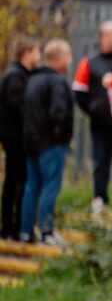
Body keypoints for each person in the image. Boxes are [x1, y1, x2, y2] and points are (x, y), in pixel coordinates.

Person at [72, 20, 112, 215]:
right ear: (105, 37)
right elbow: (79, 92)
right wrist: (94, 110)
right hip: (100, 125)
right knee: (101, 162)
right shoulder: (89, 63)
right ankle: (99, 200)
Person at [20, 40, 73, 245]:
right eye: (68, 57)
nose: (70, 61)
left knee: (31, 186)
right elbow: (58, 113)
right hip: (51, 143)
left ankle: (26, 231)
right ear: (59, 59)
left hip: (31, 141)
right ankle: (46, 232)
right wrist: (60, 136)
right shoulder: (57, 81)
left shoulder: (32, 79)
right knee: (51, 186)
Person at [0, 39, 40, 240]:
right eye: (37, 52)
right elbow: (19, 108)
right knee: (20, 181)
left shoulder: (18, 75)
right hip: (14, 137)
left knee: (11, 181)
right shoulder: (16, 77)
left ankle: (8, 227)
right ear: (27, 53)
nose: (39, 57)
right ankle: (15, 228)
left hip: (12, 136)